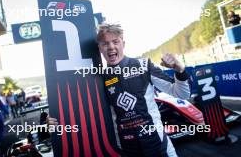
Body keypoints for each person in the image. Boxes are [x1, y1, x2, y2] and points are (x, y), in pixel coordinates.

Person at [48, 23, 190, 156]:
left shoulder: (143, 65)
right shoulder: (98, 77)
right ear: (100, 48)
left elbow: (181, 94)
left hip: (159, 145)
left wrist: (180, 70)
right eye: (105, 43)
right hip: (126, 149)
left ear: (123, 43)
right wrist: (57, 120)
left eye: (115, 41)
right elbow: (82, 111)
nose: (110, 47)